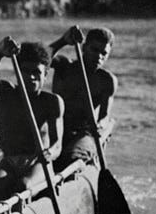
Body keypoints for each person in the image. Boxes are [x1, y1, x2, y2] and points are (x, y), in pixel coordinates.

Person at [0, 37, 64, 200]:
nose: (31, 77)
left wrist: (49, 153)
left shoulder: (52, 102)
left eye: (37, 73)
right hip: (10, 162)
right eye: (25, 71)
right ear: (17, 72)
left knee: (23, 186)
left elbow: (57, 145)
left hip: (38, 163)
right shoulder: (7, 92)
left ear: (45, 74)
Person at [49, 25, 118, 169]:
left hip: (83, 133)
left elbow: (105, 116)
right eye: (94, 50)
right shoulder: (63, 66)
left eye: (104, 53)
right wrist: (63, 41)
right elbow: (38, 59)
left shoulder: (107, 80)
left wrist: (100, 125)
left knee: (70, 158)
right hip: (55, 128)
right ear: (83, 47)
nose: (99, 56)